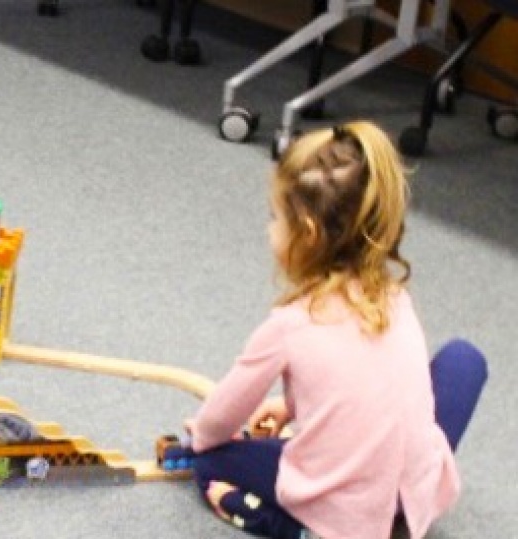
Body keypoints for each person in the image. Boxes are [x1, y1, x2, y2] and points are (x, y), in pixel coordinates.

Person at [185, 121, 488, 539]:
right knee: (464, 359)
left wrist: (199, 437)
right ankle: (397, 512)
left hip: (346, 510)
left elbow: (218, 421)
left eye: (275, 218)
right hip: (414, 496)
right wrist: (292, 407)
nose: (269, 229)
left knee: (207, 461)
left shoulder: (289, 324)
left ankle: (294, 528)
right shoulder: (396, 298)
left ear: (307, 233)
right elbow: (373, 379)